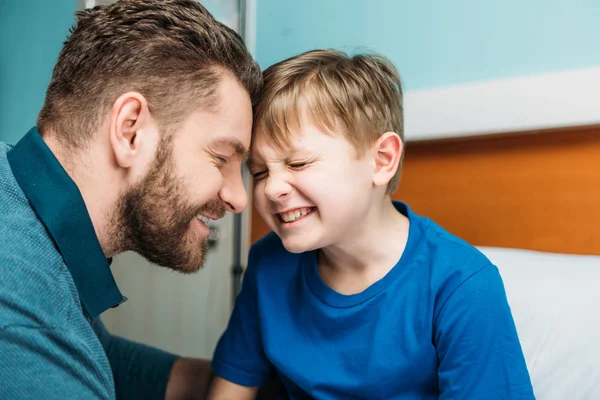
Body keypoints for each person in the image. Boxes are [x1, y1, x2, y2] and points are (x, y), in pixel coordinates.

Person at [207, 49, 535, 399]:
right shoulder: (268, 265)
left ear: (381, 160)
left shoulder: (461, 286)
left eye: (299, 163)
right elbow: (232, 389)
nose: (271, 188)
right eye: (258, 172)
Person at [0, 0, 261, 398]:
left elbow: (96, 354)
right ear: (131, 130)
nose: (239, 198)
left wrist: (248, 377)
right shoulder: (20, 311)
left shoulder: (14, 181)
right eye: (221, 158)